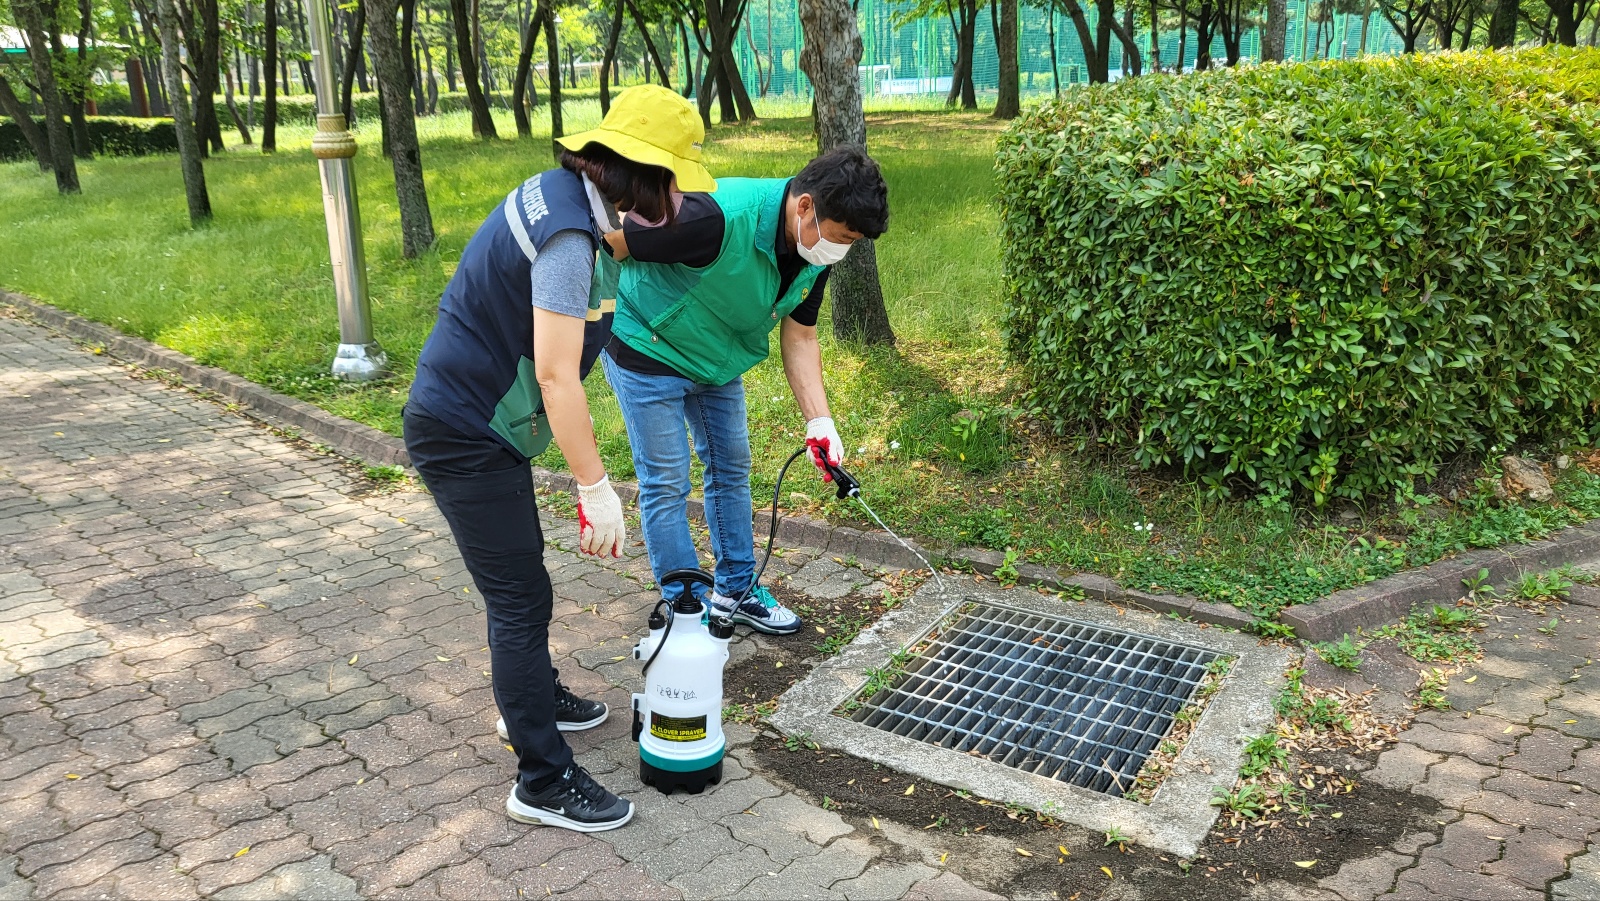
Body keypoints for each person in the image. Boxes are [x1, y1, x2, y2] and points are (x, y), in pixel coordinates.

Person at [402, 84, 717, 833]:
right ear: (638, 173)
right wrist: (597, 485)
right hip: (463, 429)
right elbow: (553, 372)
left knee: (523, 581)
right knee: (519, 599)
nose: (677, 197)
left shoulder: (568, 201)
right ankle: (541, 779)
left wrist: (586, 478)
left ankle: (536, 701)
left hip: (481, 423)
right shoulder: (570, 239)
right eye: (672, 180)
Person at [599, 145, 890, 634]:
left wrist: (819, 421)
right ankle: (685, 606)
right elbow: (613, 242)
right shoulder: (711, 216)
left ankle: (735, 589)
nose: (842, 250)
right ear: (805, 208)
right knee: (668, 481)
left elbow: (800, 335)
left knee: (731, 466)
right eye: (842, 238)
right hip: (646, 345)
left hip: (715, 359)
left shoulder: (815, 250)